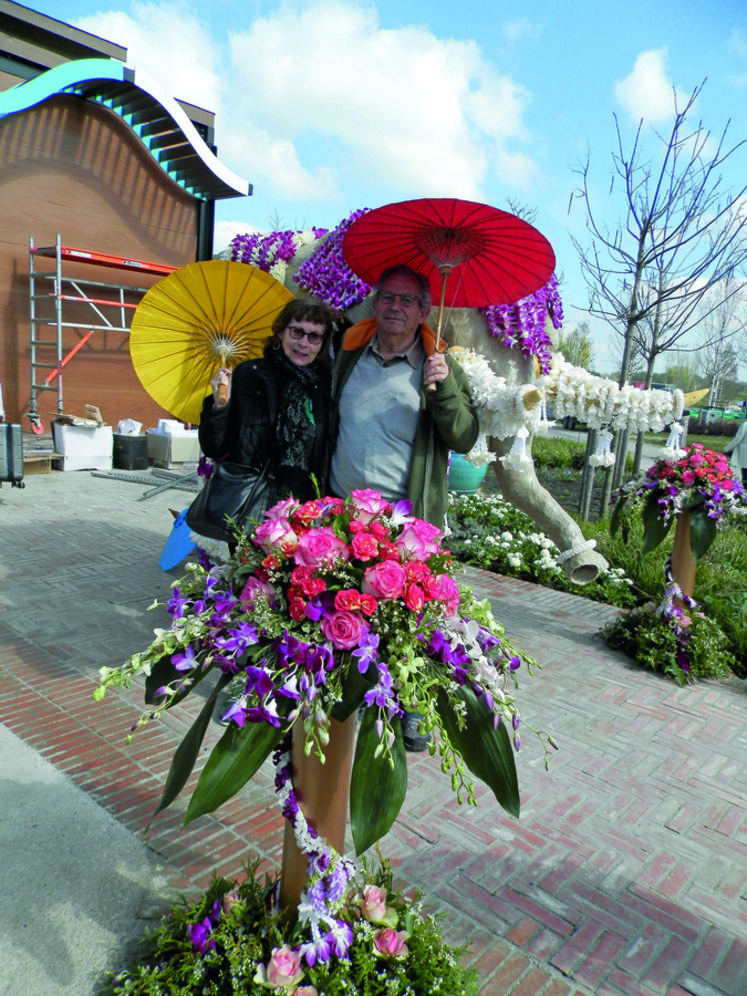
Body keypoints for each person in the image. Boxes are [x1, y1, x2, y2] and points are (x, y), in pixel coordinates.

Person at [330, 264, 480, 750]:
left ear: (423, 311)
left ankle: (410, 705)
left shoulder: (438, 364)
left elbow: (464, 435)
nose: (395, 307)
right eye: (387, 297)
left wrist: (445, 389)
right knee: (342, 607)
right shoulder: (349, 355)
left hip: (404, 520)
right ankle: (340, 690)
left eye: (407, 300)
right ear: (376, 304)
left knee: (409, 616)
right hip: (342, 511)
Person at [198, 297, 337, 517]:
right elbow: (214, 446)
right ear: (281, 331)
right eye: (297, 332)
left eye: (314, 337)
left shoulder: (325, 388)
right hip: (251, 506)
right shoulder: (250, 375)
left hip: (302, 513)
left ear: (322, 343)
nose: (304, 343)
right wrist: (218, 405)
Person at [723, 418, 747, 486]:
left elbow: (737, 439)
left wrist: (726, 449)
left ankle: (745, 487)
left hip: (745, 453)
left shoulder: (745, 425)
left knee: (745, 472)